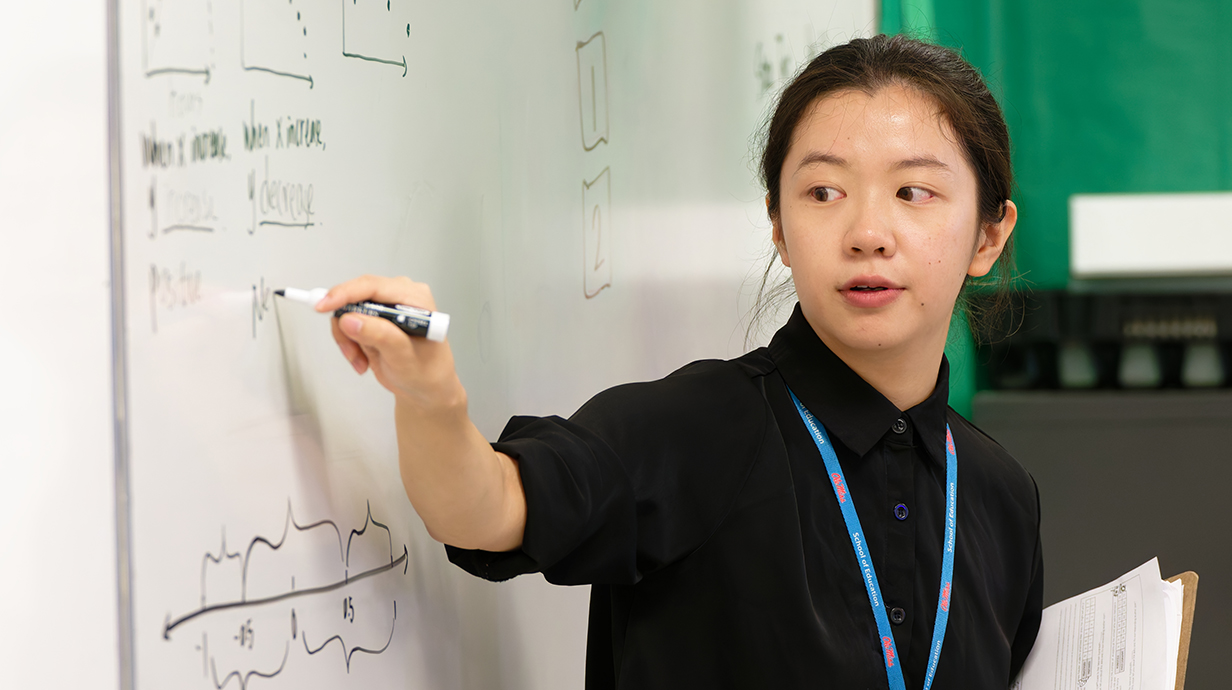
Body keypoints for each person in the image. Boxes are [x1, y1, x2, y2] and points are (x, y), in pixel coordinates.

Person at [314, 34, 1041, 690]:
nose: (868, 232)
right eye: (824, 192)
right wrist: (431, 401)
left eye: (914, 192)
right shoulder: (701, 427)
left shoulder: (1000, 494)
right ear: (780, 229)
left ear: (987, 236)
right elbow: (488, 509)